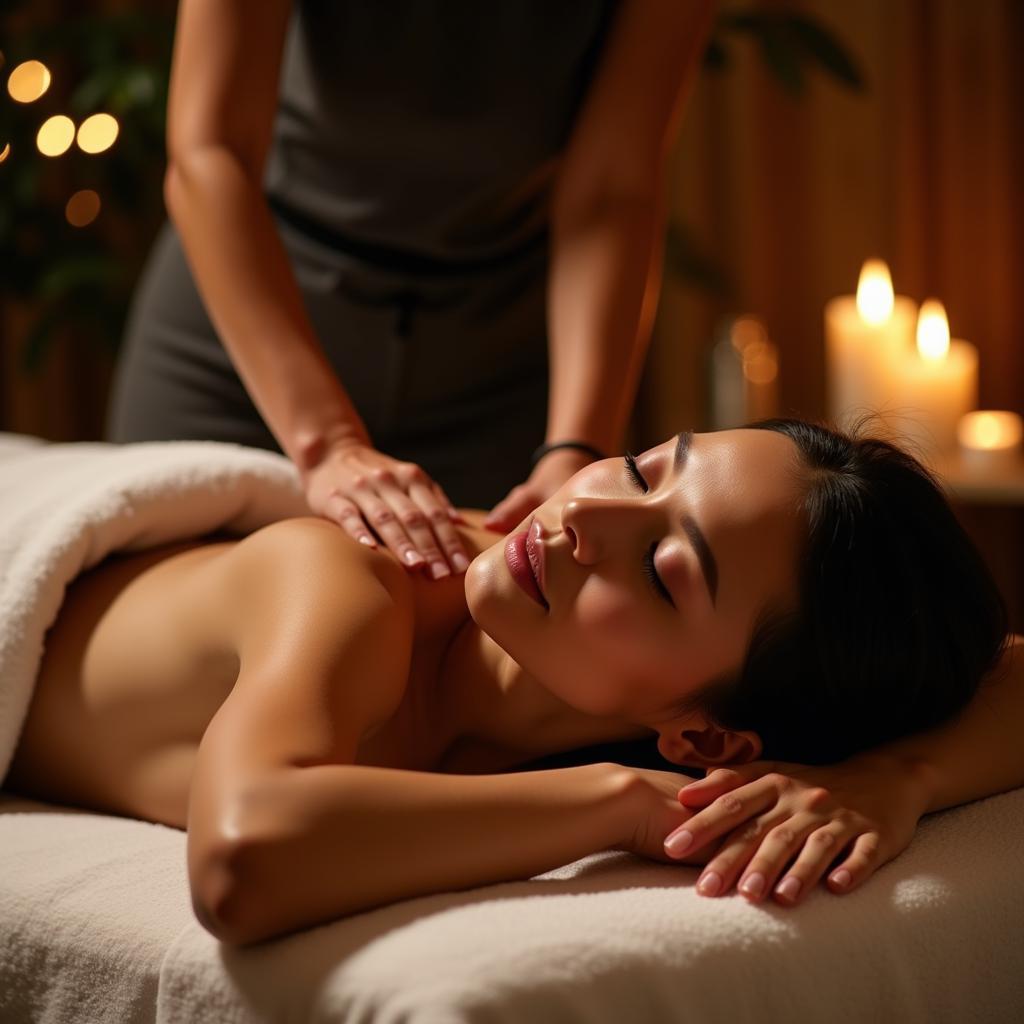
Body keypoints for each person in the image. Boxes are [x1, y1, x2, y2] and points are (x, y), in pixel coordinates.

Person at [7, 420, 1021, 947]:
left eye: (664, 569)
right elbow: (242, 857)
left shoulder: (556, 702)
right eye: (637, 468)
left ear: (707, 740)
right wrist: (622, 804)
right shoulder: (355, 580)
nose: (585, 519)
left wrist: (900, 779)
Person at [106, 0, 716, 579]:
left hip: (500, 364)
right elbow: (212, 152)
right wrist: (327, 443)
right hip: (246, 334)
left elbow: (613, 189)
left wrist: (575, 447)